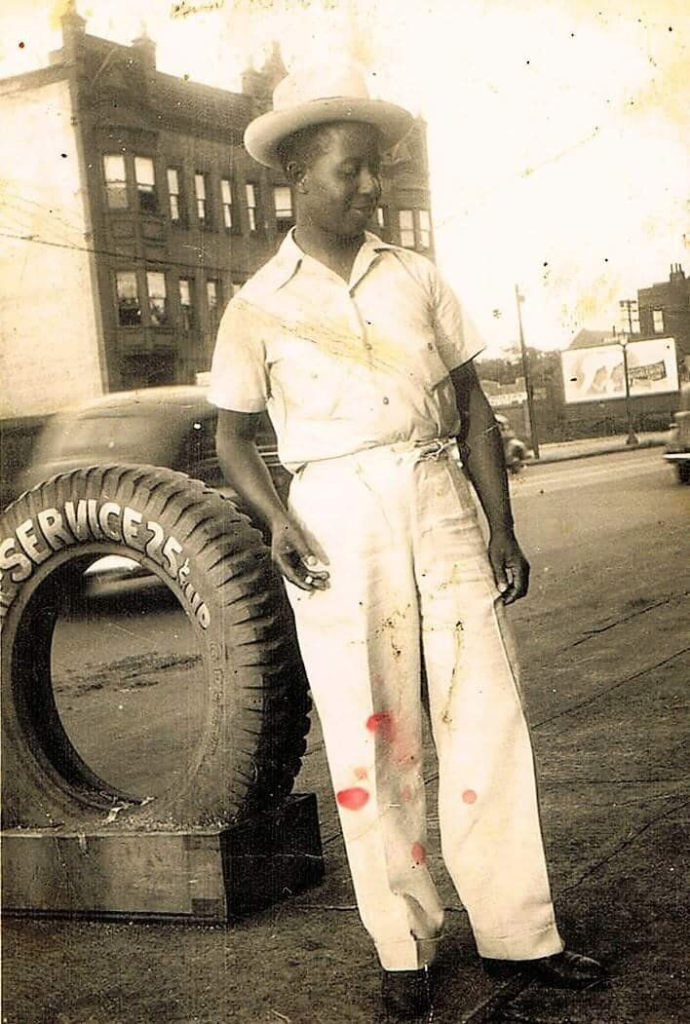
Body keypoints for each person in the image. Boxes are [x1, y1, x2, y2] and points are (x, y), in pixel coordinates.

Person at [209, 64, 605, 1021]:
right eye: (351, 171)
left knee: (486, 715)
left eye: (377, 171)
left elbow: (472, 406)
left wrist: (499, 527)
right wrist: (277, 517)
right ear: (299, 175)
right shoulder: (258, 303)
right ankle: (403, 947)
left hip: (437, 497)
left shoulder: (419, 277)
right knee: (373, 729)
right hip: (338, 512)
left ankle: (520, 934)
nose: (369, 187)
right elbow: (230, 433)